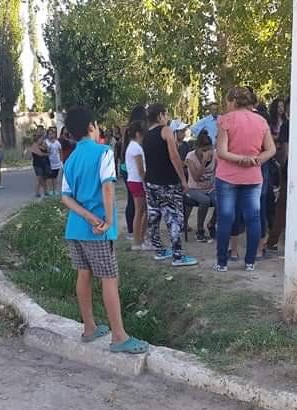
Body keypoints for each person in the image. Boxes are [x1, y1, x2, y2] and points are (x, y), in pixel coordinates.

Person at [60, 106, 149, 355]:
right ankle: (119, 336)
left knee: (83, 275)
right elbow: (107, 187)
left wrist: (87, 217)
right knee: (109, 279)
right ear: (92, 126)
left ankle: (89, 327)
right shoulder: (104, 152)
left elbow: (65, 197)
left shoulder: (70, 159)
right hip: (98, 230)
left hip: (76, 228)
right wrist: (107, 220)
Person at [214, 87, 276, 272]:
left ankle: (222, 262)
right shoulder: (261, 121)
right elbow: (271, 149)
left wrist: (240, 159)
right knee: (253, 218)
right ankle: (250, 261)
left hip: (227, 176)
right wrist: (256, 159)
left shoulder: (226, 120)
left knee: (225, 218)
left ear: (233, 101)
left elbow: (221, 151)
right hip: (253, 176)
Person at [142, 103, 197, 267]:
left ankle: (159, 250)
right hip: (168, 182)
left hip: (151, 181)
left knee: (154, 216)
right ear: (160, 115)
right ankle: (177, 256)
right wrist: (183, 179)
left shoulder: (146, 135)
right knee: (174, 218)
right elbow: (174, 157)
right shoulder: (165, 131)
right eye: (166, 114)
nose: (167, 118)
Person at [267, 99, 291, 253]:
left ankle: (273, 240)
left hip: (290, 167)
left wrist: (283, 167)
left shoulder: (287, 125)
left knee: (282, 205)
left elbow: (285, 151)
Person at [124, 120, 151, 250]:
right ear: (138, 134)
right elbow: (140, 169)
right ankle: (138, 241)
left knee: (142, 211)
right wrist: (146, 181)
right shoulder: (136, 148)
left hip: (134, 180)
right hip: (138, 181)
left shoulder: (132, 146)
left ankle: (140, 238)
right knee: (140, 211)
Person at [185, 132, 217, 242]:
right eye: (203, 150)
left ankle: (212, 224)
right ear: (197, 148)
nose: (207, 153)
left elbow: (218, 172)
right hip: (194, 188)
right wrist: (203, 162)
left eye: (209, 150)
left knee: (222, 200)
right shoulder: (190, 157)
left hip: (210, 188)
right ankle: (200, 230)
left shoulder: (215, 155)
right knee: (205, 200)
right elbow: (196, 177)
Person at [30, 131, 50, 197]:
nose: (42, 140)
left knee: (44, 178)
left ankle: (46, 191)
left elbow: (49, 151)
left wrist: (45, 145)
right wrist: (47, 154)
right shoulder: (34, 145)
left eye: (43, 139)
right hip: (37, 164)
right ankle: (37, 192)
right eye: (41, 139)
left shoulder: (43, 145)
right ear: (37, 139)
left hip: (44, 163)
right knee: (38, 178)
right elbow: (40, 154)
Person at [46, 127, 63, 195]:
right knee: (49, 177)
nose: (51, 135)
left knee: (55, 177)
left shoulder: (57, 142)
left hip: (57, 162)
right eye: (49, 134)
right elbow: (46, 151)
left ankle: (55, 190)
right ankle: (50, 190)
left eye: (52, 134)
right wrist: (48, 148)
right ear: (47, 135)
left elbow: (60, 150)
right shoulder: (46, 142)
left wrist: (61, 159)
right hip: (49, 162)